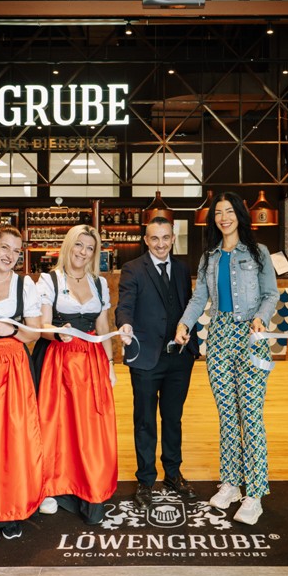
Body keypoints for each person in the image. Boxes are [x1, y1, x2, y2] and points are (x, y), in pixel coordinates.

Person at [174, 192, 278, 526]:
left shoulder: (259, 252)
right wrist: (184, 324)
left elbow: (270, 294)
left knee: (251, 414)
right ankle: (231, 483)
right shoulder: (209, 257)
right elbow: (198, 298)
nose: (224, 217)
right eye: (218, 212)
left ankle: (255, 493)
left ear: (239, 214)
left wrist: (261, 317)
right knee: (228, 415)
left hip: (251, 336)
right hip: (218, 337)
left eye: (229, 211)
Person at [35, 224, 117, 525]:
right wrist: (58, 332)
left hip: (92, 359)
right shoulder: (50, 280)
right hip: (60, 359)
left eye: (90, 248)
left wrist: (110, 364)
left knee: (91, 426)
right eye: (79, 245)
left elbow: (103, 326)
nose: (83, 252)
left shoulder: (99, 283)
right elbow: (42, 326)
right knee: (57, 424)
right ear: (68, 245)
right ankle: (52, 488)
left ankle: (88, 484)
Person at [116, 215, 199, 508]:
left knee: (173, 418)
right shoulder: (133, 269)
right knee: (145, 421)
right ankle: (146, 479)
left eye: (165, 238)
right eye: (154, 238)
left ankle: (173, 474)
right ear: (146, 240)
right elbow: (125, 304)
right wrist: (125, 324)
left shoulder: (182, 268)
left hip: (179, 357)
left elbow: (188, 305)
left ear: (173, 238)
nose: (160, 244)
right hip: (146, 358)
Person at [0, 225, 43, 540]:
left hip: (13, 367)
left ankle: (9, 509)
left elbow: (35, 332)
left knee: (12, 436)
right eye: (5, 247)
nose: (10, 255)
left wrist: (12, 329)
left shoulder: (24, 285)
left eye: (16, 251)